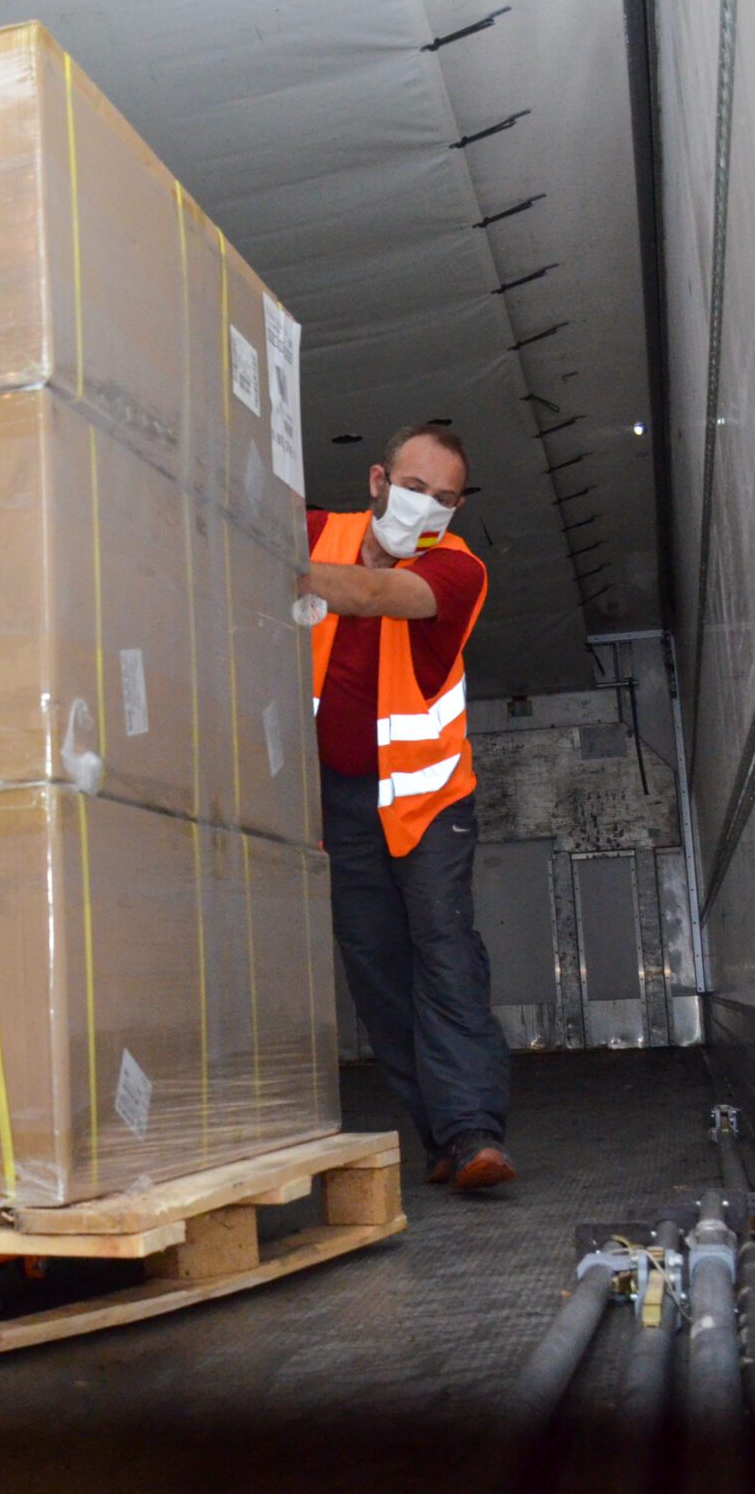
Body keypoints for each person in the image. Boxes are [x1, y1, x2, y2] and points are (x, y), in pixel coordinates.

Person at [297, 424, 513, 1190]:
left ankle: (474, 1131)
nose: (426, 508)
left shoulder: (456, 570)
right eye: (415, 488)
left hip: (428, 803)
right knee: (376, 971)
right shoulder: (319, 532)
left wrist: (272, 565)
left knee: (445, 952)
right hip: (340, 801)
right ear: (377, 480)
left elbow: (375, 593)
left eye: (444, 499)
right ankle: (441, 1140)